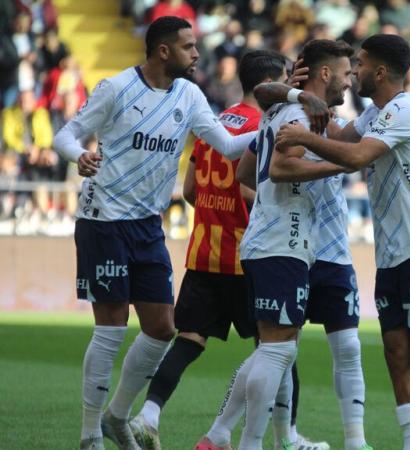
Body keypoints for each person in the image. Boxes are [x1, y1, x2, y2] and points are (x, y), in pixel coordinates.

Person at [52, 16, 263, 450]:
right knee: (110, 328)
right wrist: (79, 156)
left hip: (149, 226)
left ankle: (117, 416)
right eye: (188, 46)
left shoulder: (189, 94)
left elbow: (226, 144)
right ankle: (90, 432)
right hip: (103, 221)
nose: (197, 53)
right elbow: (66, 134)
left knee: (162, 328)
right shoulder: (116, 88)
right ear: (163, 51)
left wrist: (279, 128)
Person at [275, 33, 410, 450]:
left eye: (358, 64)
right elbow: (341, 136)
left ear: (379, 71)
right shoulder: (375, 113)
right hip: (392, 254)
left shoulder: (407, 108)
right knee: (396, 352)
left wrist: (302, 138)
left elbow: (356, 157)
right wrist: (299, 95)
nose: (353, 71)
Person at [121, 49, 287, 450]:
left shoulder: (212, 124)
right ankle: (253, 436)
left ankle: (149, 414)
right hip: (250, 258)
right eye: (284, 80)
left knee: (189, 340)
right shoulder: (266, 127)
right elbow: (251, 191)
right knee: (276, 349)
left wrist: (217, 211)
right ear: (268, 85)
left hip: (203, 253)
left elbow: (193, 190)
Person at [195, 39, 354, 450]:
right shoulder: (299, 113)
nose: (349, 80)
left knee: (275, 349)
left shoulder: (278, 111)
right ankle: (243, 443)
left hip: (273, 241)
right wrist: (344, 162)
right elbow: (281, 167)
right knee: (277, 352)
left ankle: (217, 437)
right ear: (325, 73)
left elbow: (248, 172)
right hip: (281, 242)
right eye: (345, 72)